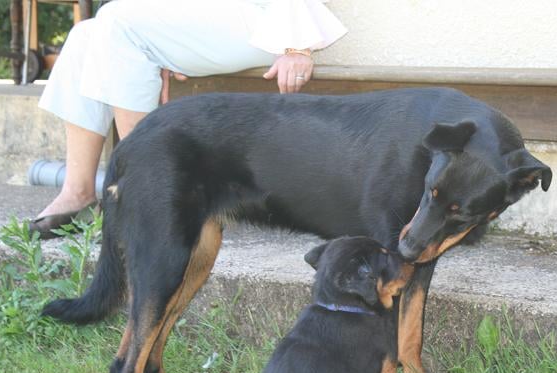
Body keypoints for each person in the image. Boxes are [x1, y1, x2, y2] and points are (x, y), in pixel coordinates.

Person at [28, 0, 347, 239]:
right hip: (212, 13)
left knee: (116, 20)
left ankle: (145, 191)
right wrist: (163, 36)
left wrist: (296, 45)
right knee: (86, 35)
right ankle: (78, 192)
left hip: (270, 17)